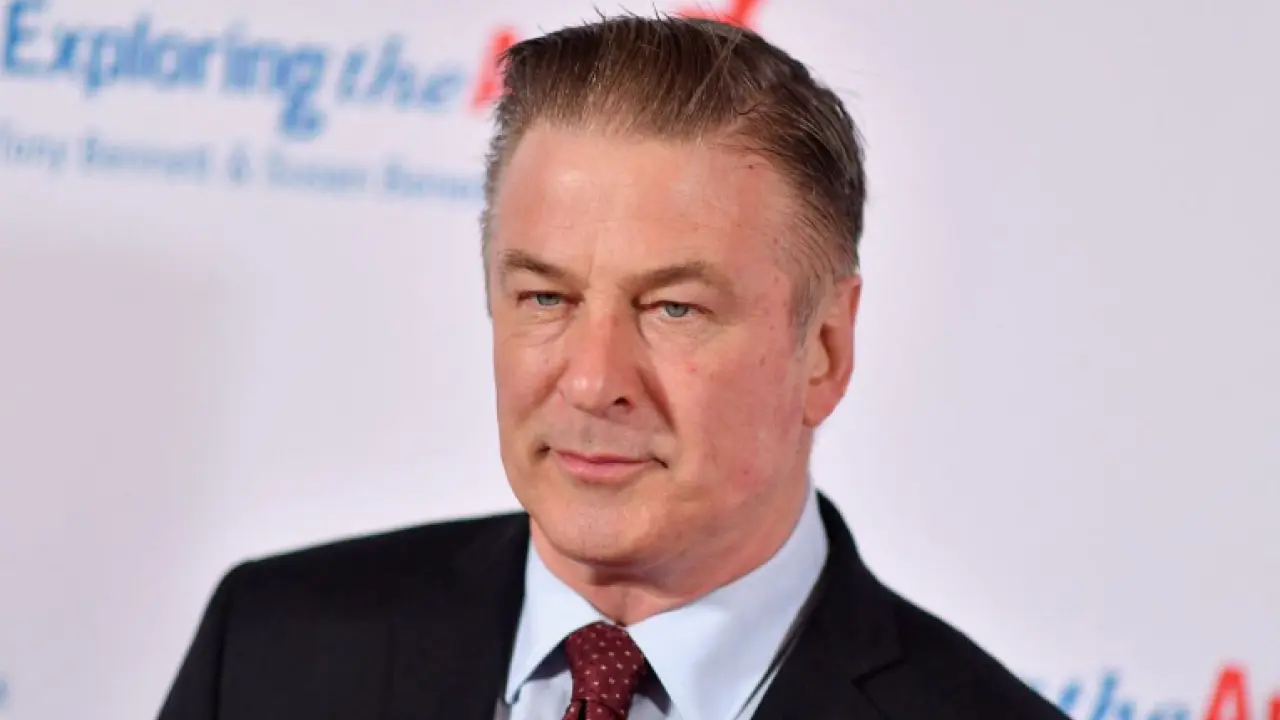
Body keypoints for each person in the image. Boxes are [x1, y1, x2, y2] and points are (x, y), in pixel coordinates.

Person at [158, 15, 1069, 720]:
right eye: (545, 298)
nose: (593, 382)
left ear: (824, 350)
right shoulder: (271, 653)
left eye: (675, 308)